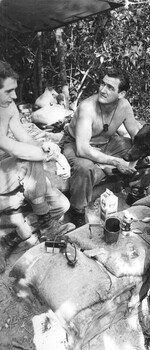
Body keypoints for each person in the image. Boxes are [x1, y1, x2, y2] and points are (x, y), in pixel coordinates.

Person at [0, 61, 75, 273]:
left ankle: (16, 233)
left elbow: (25, 140)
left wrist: (47, 147)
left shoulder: (8, 106)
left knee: (61, 205)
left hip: (12, 171)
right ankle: (43, 224)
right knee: (30, 160)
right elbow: (16, 149)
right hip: (5, 170)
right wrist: (49, 157)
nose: (15, 96)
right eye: (9, 91)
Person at [61, 67, 149, 228]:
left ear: (121, 94)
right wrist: (115, 162)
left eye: (110, 87)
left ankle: (136, 191)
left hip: (107, 144)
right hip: (75, 143)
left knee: (136, 148)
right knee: (85, 167)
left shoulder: (124, 106)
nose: (103, 90)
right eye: (103, 84)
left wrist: (147, 148)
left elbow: (135, 133)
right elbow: (82, 149)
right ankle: (77, 211)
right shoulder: (88, 107)